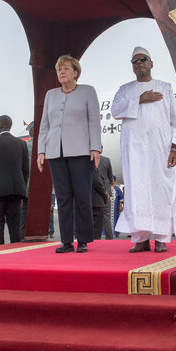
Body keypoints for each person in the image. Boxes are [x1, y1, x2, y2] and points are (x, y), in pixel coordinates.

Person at [112, 46, 176, 253]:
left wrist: (174, 148)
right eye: (134, 61)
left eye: (143, 59)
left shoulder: (165, 87)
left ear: (151, 63)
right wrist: (139, 99)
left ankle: (162, 237)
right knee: (137, 192)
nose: (139, 63)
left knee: (161, 191)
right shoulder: (125, 90)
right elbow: (115, 111)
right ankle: (141, 238)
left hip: (160, 150)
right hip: (134, 152)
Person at [36, 54, 102, 254]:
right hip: (56, 152)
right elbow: (44, 124)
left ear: (75, 72)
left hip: (81, 152)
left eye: (65, 68)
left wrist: (95, 147)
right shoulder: (50, 95)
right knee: (63, 198)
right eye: (59, 69)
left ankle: (82, 239)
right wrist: (41, 150)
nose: (61, 72)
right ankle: (66, 241)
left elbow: (94, 122)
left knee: (82, 196)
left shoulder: (88, 92)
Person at [0, 115, 29, 245]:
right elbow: (25, 170)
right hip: (16, 192)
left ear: (1, 126)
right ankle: (16, 257)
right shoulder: (22, 144)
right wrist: (22, 191)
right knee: (15, 227)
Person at [97, 151, 114, 239]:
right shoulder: (107, 160)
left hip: (95, 191)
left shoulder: (90, 159)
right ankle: (109, 237)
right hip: (106, 191)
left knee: (95, 216)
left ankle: (96, 237)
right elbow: (110, 177)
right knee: (106, 216)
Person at [92, 166, 110, 239]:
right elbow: (98, 183)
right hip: (96, 202)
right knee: (96, 229)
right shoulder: (93, 168)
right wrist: (105, 195)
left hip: (86, 202)